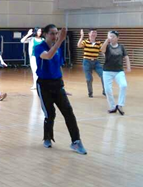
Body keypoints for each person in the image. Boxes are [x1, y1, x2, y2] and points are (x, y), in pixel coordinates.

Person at [34, 25, 86, 153]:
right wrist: (60, 40)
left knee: (68, 112)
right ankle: (47, 138)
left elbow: (58, 67)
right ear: (45, 34)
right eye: (52, 33)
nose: (55, 36)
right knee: (50, 114)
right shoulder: (39, 47)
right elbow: (48, 56)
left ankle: (76, 141)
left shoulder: (58, 48)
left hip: (57, 84)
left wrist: (62, 86)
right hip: (44, 85)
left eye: (56, 33)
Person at [100, 30, 131, 115]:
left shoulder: (121, 47)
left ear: (117, 38)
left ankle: (120, 105)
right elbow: (102, 50)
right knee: (108, 90)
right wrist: (106, 41)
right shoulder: (107, 46)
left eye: (113, 36)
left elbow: (126, 57)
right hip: (107, 71)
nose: (111, 38)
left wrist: (128, 67)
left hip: (119, 71)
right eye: (110, 36)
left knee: (123, 85)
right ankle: (113, 107)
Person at [77, 28, 105, 98]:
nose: (94, 34)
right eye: (92, 32)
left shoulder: (99, 43)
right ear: (89, 34)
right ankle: (90, 93)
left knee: (103, 75)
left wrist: (107, 57)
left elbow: (102, 51)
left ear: (96, 34)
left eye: (95, 32)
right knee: (89, 78)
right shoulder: (85, 42)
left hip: (96, 62)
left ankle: (105, 91)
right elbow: (79, 45)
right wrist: (81, 36)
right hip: (87, 62)